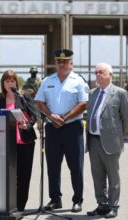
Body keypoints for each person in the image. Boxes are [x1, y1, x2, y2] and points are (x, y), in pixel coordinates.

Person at [35, 48, 89, 212]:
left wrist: (64, 118)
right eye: (59, 61)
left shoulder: (78, 81)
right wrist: (52, 116)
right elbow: (40, 102)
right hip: (52, 128)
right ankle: (55, 199)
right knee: (52, 166)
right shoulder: (47, 80)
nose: (62, 64)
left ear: (71, 63)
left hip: (72, 128)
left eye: (65, 61)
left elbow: (84, 104)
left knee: (76, 166)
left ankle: (77, 200)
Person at [86, 63, 128, 218]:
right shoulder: (92, 93)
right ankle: (102, 205)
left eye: (102, 72)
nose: (98, 75)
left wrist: (121, 138)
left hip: (111, 142)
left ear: (110, 74)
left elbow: (126, 118)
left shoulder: (119, 93)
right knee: (97, 176)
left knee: (113, 176)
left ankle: (113, 206)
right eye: (96, 72)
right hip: (93, 141)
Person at [0, 70, 37, 212]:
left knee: (24, 176)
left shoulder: (24, 97)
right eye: (7, 81)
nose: (10, 83)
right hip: (5, 143)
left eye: (12, 81)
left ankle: (20, 206)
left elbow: (34, 115)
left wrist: (27, 125)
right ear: (3, 84)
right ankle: (7, 204)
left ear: (16, 83)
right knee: (7, 176)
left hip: (24, 142)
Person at [22, 66, 42, 132]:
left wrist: (35, 93)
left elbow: (43, 91)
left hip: (37, 102)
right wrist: (28, 91)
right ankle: (28, 130)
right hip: (30, 102)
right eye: (32, 72)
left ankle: (40, 131)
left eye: (34, 72)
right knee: (30, 118)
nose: (33, 74)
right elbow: (23, 90)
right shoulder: (28, 81)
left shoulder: (39, 81)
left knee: (39, 118)